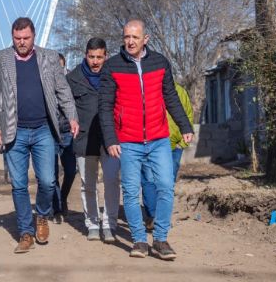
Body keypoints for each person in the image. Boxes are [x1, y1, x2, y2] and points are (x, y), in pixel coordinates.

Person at [98, 20, 194, 260]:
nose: (130, 41)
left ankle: (160, 239)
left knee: (165, 186)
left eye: (135, 37)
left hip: (159, 138)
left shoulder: (160, 62)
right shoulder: (112, 66)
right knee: (131, 191)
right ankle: (140, 240)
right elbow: (105, 106)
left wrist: (184, 125)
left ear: (146, 39)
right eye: (126, 37)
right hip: (128, 141)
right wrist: (111, 139)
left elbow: (170, 96)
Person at [0, 17, 79, 253]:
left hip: (43, 130)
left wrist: (72, 116)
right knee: (18, 185)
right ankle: (26, 232)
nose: (21, 42)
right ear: (12, 37)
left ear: (34, 36)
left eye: (26, 38)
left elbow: (63, 90)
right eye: (17, 39)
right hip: (14, 131)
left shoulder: (49, 57)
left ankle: (42, 215)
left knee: (48, 181)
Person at [67, 37, 120, 242]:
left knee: (112, 181)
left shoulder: (114, 75)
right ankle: (92, 223)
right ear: (85, 55)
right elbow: (65, 107)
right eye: (91, 57)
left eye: (99, 57)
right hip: (84, 139)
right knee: (87, 183)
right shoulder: (73, 78)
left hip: (111, 139)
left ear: (106, 56)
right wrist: (69, 126)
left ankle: (109, 223)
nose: (95, 61)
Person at [141, 82, 196, 230]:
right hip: (149, 144)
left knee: (167, 183)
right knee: (149, 180)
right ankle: (153, 217)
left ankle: (162, 216)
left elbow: (188, 114)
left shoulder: (179, 90)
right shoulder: (145, 88)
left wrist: (181, 144)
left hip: (173, 146)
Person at [52, 53, 76, 223]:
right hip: (49, 133)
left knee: (70, 170)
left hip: (67, 133)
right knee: (51, 174)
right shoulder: (43, 86)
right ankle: (57, 207)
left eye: (60, 67)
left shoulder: (70, 85)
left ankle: (63, 197)